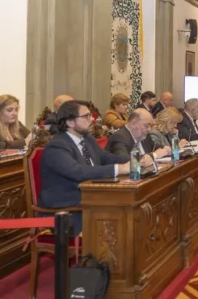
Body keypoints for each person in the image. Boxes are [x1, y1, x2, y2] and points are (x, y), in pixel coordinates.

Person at [38, 100, 135, 236]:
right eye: (86, 116)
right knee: (122, 210)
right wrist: (120, 169)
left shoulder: (87, 139)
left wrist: (136, 161)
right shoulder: (57, 146)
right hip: (67, 208)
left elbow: (106, 158)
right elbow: (77, 171)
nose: (92, 119)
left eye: (91, 115)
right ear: (70, 122)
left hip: (90, 197)